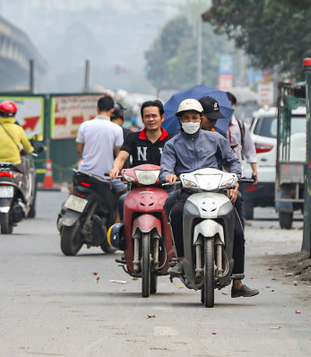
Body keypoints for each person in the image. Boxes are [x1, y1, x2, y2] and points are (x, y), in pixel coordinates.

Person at [160, 98, 258, 298]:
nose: (191, 121)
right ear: (180, 120)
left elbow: (233, 161)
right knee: (177, 212)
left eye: (194, 117)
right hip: (189, 193)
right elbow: (166, 169)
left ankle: (238, 282)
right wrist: (168, 176)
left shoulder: (217, 139)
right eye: (186, 118)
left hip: (218, 193)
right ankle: (181, 260)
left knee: (238, 233)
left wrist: (235, 180)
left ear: (200, 118)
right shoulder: (172, 145)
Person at [108, 99, 169, 220]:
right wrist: (115, 168)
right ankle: (122, 235)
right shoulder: (133, 138)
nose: (151, 119)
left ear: (162, 117)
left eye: (154, 116)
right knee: (122, 200)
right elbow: (121, 157)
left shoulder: (172, 140)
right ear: (142, 119)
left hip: (165, 188)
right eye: (147, 116)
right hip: (138, 189)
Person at [0, 100, 34, 197]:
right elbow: (27, 147)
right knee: (24, 177)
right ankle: (25, 197)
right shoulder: (19, 129)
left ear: (0, 113)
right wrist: (31, 150)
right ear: (14, 114)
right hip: (15, 164)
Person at [76, 94, 124, 190]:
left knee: (74, 187)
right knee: (124, 191)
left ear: (97, 109)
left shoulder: (84, 126)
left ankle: (70, 204)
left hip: (84, 173)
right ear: (112, 110)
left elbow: (79, 149)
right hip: (106, 175)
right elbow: (119, 154)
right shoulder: (117, 129)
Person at [226, 92, 258, 224]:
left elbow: (249, 149)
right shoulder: (213, 127)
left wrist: (254, 170)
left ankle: (240, 241)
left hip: (238, 174)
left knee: (239, 208)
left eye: (230, 105)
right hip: (219, 175)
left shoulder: (240, 126)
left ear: (234, 106)